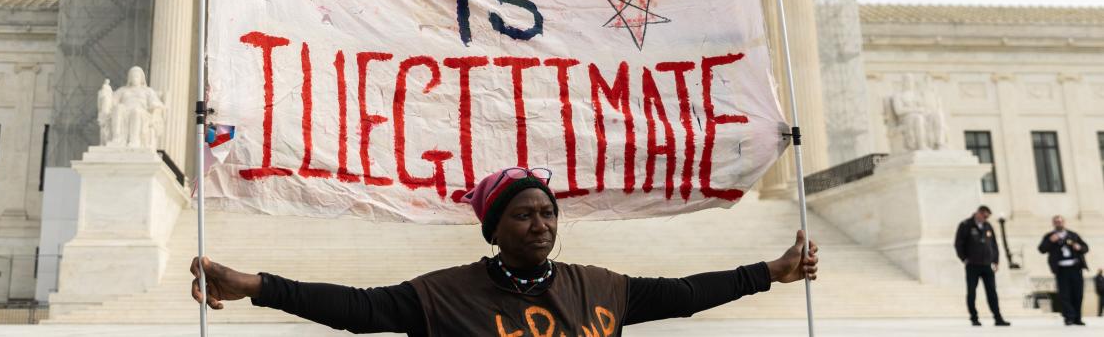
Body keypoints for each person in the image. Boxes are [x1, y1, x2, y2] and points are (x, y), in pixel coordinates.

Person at [191, 166, 818, 334]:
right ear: (494, 229)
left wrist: (769, 272)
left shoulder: (597, 287)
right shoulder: (448, 296)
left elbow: (684, 296)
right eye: (523, 215)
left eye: (548, 212)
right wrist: (257, 286)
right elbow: (358, 310)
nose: (541, 224)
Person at [954, 205, 1010, 326]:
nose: (985, 219)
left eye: (987, 217)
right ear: (978, 213)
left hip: (988, 265)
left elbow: (994, 245)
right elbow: (959, 244)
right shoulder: (965, 225)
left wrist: (995, 262)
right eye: (984, 216)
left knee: (992, 292)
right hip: (972, 265)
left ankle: (998, 318)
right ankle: (974, 318)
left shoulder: (988, 226)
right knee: (972, 292)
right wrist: (964, 259)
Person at [1039, 214, 1089, 326]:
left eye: (1060, 221)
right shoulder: (1049, 236)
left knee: (1078, 294)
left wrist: (1079, 247)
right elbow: (1041, 249)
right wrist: (1050, 241)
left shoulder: (1073, 235)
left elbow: (1085, 248)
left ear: (1064, 222)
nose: (1059, 223)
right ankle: (1069, 317)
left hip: (1075, 268)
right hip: (1061, 270)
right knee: (1064, 295)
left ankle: (1077, 318)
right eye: (1056, 221)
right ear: (1053, 223)